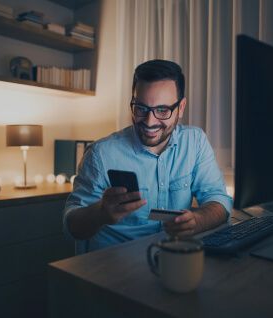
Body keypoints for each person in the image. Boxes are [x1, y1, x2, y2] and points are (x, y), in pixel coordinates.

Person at [63, 59, 232, 253]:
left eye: (162, 110)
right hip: (114, 268)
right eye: (141, 108)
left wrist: (198, 221)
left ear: (181, 108)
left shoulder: (195, 142)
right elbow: (72, 227)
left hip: (172, 258)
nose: (150, 122)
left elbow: (219, 199)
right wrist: (101, 213)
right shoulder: (101, 154)